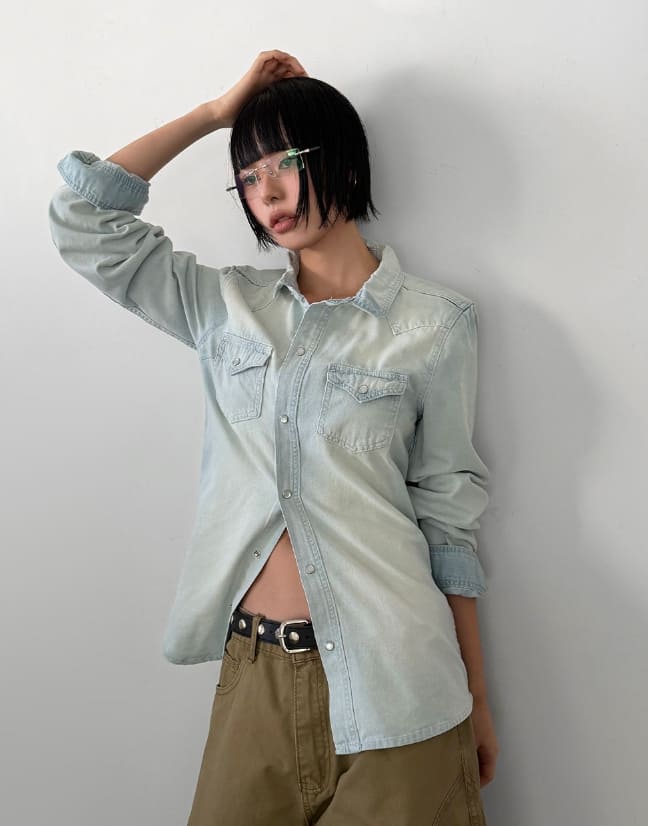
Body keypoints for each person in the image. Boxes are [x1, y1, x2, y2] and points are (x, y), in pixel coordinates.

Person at [48, 49, 499, 825]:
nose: (268, 193)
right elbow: (81, 219)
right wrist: (214, 115)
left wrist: (479, 698)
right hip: (254, 676)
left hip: (400, 678)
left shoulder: (437, 324)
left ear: (344, 161)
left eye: (285, 164)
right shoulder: (224, 306)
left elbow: (448, 519)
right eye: (248, 178)